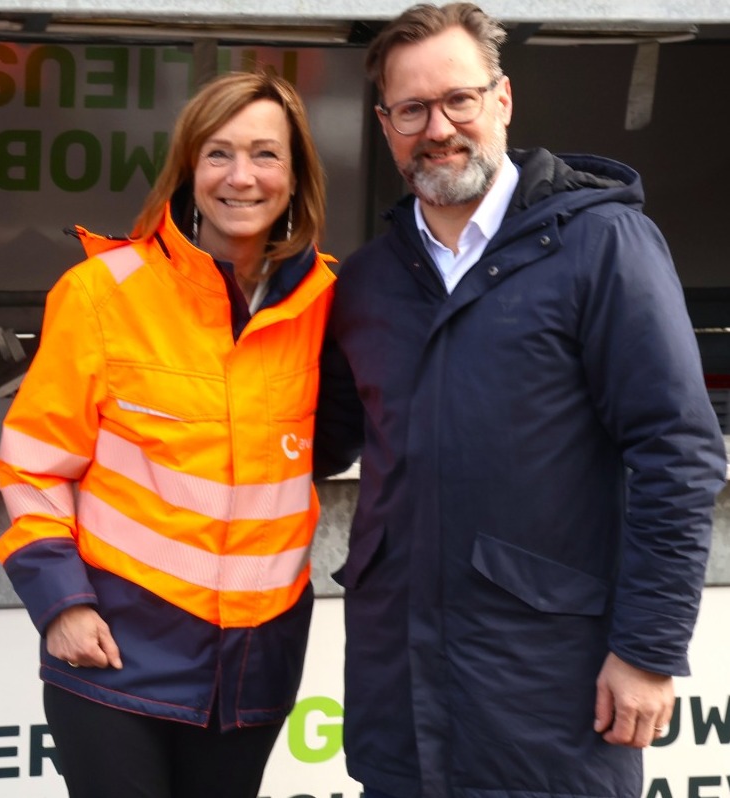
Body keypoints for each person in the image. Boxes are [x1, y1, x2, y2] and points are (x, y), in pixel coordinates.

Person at [314, 4, 728, 797]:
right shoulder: (365, 283)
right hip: (397, 701)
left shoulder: (598, 245)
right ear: (383, 123)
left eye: (458, 100)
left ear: (501, 100)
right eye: (412, 109)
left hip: (552, 701)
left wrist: (646, 651)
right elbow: (312, 437)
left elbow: (676, 451)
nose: (438, 127)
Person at [0, 71, 335, 798]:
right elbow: (33, 464)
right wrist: (62, 603)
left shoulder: (332, 303)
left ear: (297, 174)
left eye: (265, 155)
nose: (240, 177)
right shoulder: (100, 292)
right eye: (218, 153)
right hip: (115, 646)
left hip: (256, 657)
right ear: (186, 168)